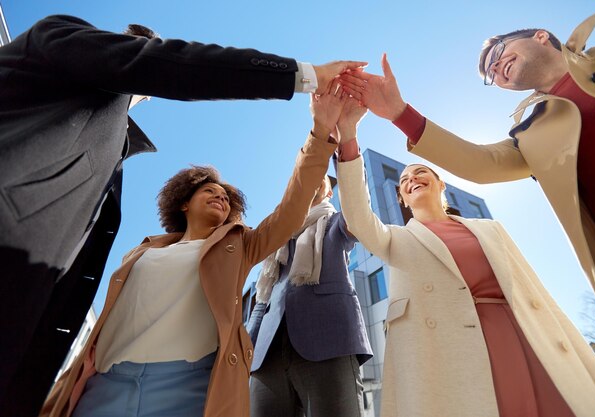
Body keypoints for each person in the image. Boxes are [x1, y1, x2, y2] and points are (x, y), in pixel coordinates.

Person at [0, 13, 366, 413]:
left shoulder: (240, 247)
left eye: (227, 198)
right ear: (182, 203)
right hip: (103, 387)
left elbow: (294, 206)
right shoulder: (138, 252)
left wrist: (320, 133)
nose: (221, 199)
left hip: (186, 390)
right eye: (209, 191)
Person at [339, 11, 595, 349]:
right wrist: (400, 113)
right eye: (491, 73)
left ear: (540, 36)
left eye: (497, 54)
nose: (494, 68)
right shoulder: (533, 136)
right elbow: (480, 163)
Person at [334, 97, 595, 417]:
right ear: (402, 198)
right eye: (404, 182)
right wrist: (348, 135)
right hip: (453, 356)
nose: (411, 179)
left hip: (527, 341)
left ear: (441, 182)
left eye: (419, 172)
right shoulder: (397, 239)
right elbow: (359, 219)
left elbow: (543, 304)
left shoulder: (491, 230)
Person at [246, 171, 372, 417]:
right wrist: (245, 351)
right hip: (267, 356)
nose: (312, 184)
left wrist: (347, 153)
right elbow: (262, 302)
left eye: (320, 182)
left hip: (329, 343)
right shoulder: (275, 243)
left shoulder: (336, 225)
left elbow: (357, 209)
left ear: (328, 193)